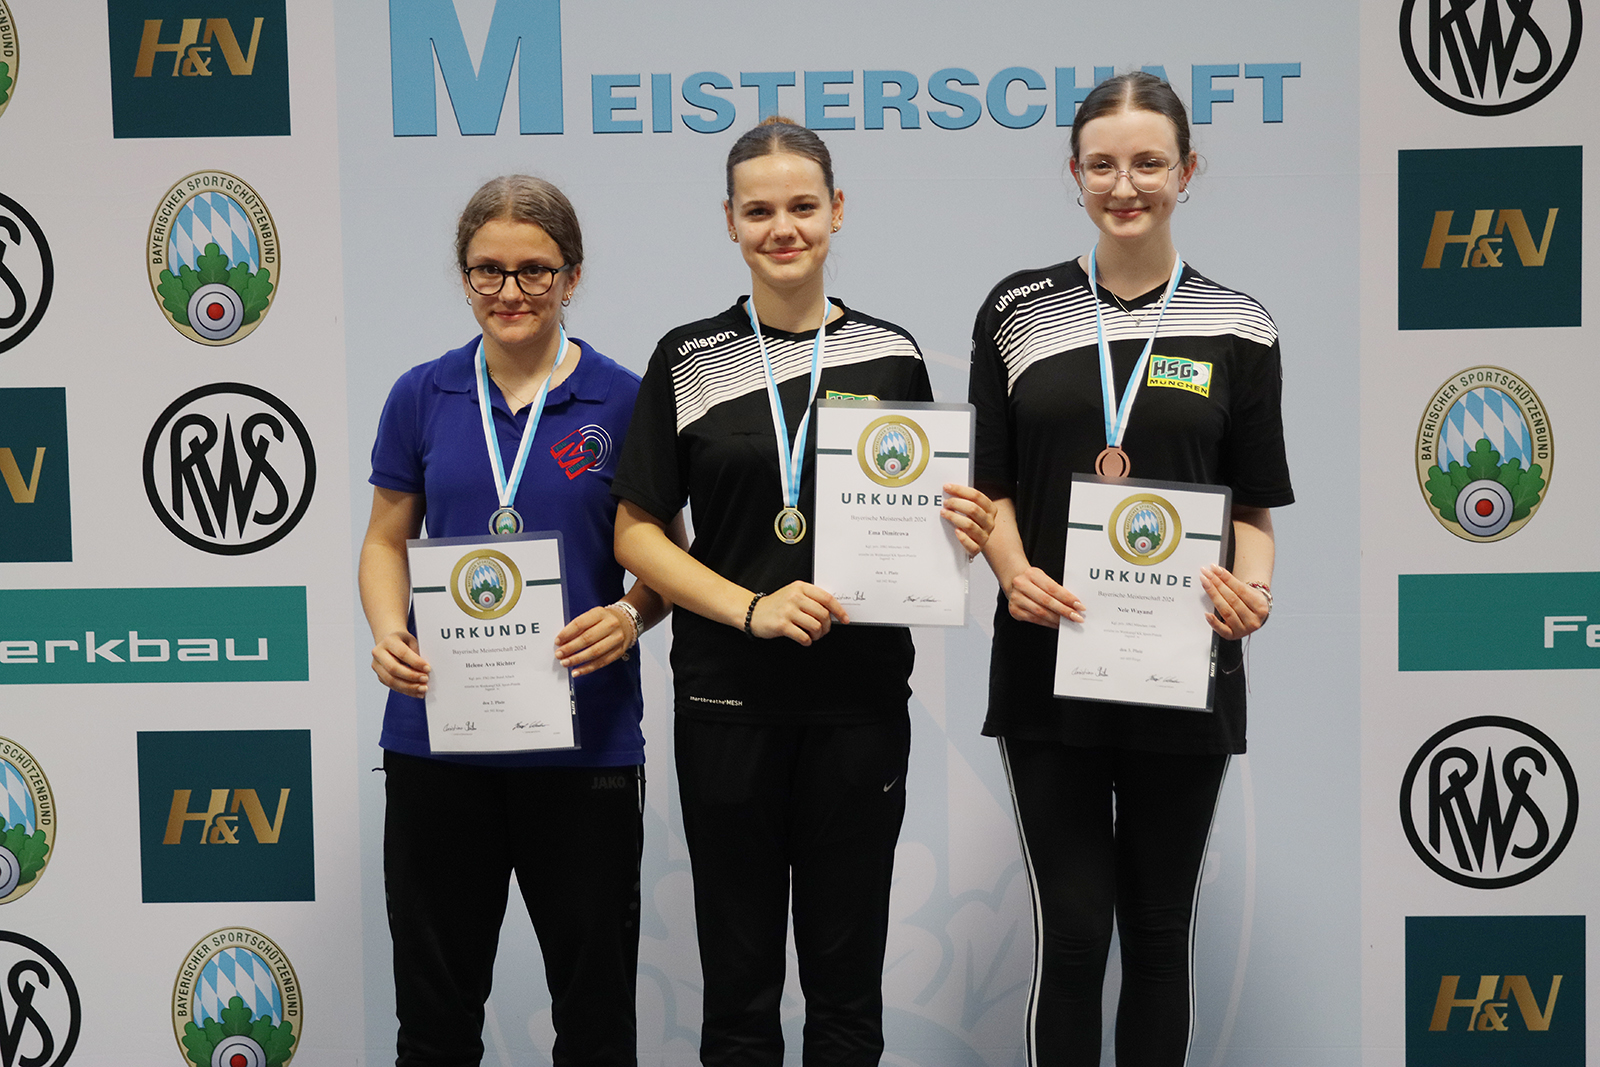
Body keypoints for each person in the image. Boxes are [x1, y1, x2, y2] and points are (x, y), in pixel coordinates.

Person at [611, 117, 995, 1067]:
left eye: (802, 206)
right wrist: (752, 608)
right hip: (727, 704)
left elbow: (920, 521)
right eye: (759, 211)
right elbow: (638, 532)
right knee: (739, 994)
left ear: (837, 211)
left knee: (846, 991)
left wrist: (961, 534)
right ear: (730, 222)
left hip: (856, 706)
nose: (782, 228)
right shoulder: (688, 356)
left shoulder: (889, 354)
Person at [969, 72, 1294, 1066]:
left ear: (1187, 172)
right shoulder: (1016, 309)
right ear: (1072, 173)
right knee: (1072, 936)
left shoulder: (1239, 325)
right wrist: (1011, 572)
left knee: (1158, 933)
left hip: (1181, 669)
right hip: (1048, 662)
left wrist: (1254, 591)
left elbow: (1253, 508)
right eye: (1102, 164)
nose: (1125, 184)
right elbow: (990, 491)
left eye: (1149, 163)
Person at [359, 175, 678, 1067]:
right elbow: (384, 540)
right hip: (439, 744)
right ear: (463, 276)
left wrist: (629, 613)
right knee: (435, 1020)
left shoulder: (626, 398)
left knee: (596, 1016)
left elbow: (665, 559)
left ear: (572, 276)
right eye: (487, 270)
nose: (511, 291)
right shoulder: (421, 394)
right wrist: (387, 630)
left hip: (585, 748)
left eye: (535, 270)